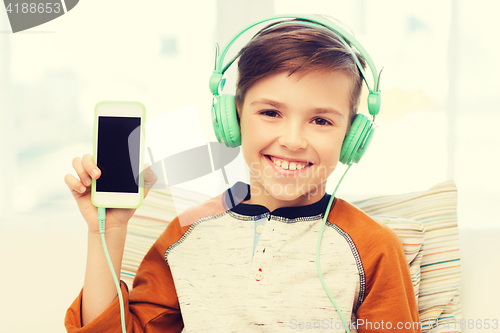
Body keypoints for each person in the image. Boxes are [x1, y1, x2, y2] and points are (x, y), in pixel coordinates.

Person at [64, 16, 420, 333]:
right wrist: (107, 232)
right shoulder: (186, 234)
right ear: (232, 119)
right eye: (270, 112)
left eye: (321, 120)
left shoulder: (374, 248)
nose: (293, 140)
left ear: (352, 138)